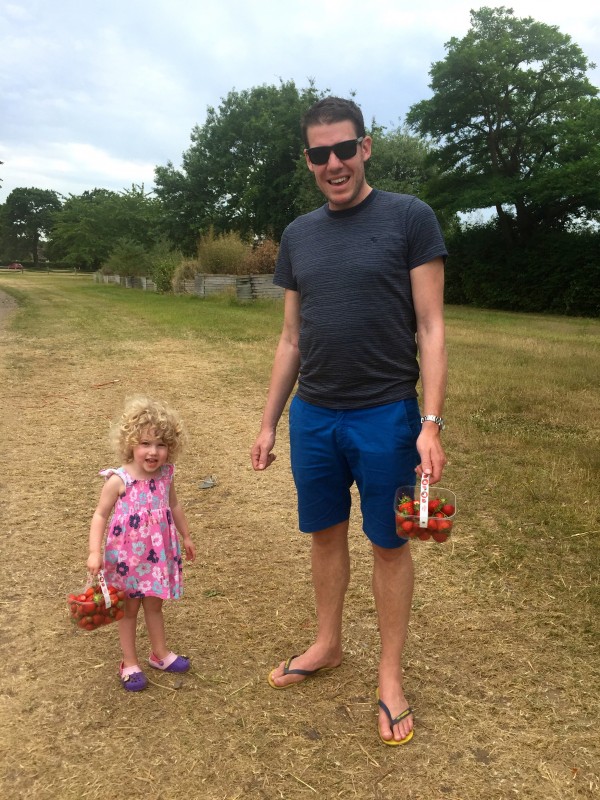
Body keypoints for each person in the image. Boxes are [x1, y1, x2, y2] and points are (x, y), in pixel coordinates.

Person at [250, 97, 448, 745]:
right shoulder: (299, 235)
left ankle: (390, 677)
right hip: (314, 417)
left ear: (366, 147)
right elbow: (290, 340)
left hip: (385, 414)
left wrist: (430, 423)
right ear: (307, 161)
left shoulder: (409, 218)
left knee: (388, 545)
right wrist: (268, 421)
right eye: (319, 154)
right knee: (324, 535)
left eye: (344, 149)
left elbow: (432, 326)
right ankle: (328, 644)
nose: (333, 163)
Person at [87, 396, 196, 692]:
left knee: (155, 606)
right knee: (129, 609)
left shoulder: (166, 476)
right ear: (130, 444)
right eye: (145, 443)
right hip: (126, 560)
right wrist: (94, 552)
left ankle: (160, 654)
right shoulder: (118, 480)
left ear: (170, 448)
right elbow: (100, 515)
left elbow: (174, 507)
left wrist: (186, 536)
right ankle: (129, 661)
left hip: (157, 558)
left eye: (161, 445)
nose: (153, 451)